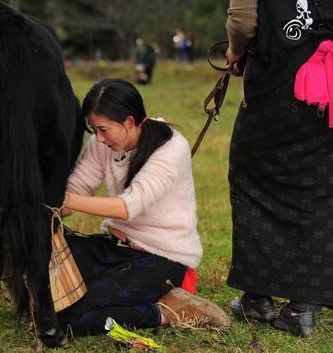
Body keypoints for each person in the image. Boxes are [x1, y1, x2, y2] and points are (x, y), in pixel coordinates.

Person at [58, 78, 230, 336]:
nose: (99, 138)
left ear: (129, 121)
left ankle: (165, 312)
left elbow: (128, 207)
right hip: (114, 248)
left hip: (159, 258)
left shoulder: (171, 147)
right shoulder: (103, 143)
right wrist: (43, 207)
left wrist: (66, 201)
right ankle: (124, 296)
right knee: (46, 289)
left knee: (70, 316)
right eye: (94, 130)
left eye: (103, 130)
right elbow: (77, 188)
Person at [225, 0, 333, 337]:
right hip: (323, 82)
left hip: (276, 85)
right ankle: (302, 306)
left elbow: (241, 22)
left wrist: (235, 52)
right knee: (314, 187)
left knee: (251, 182)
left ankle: (257, 297)